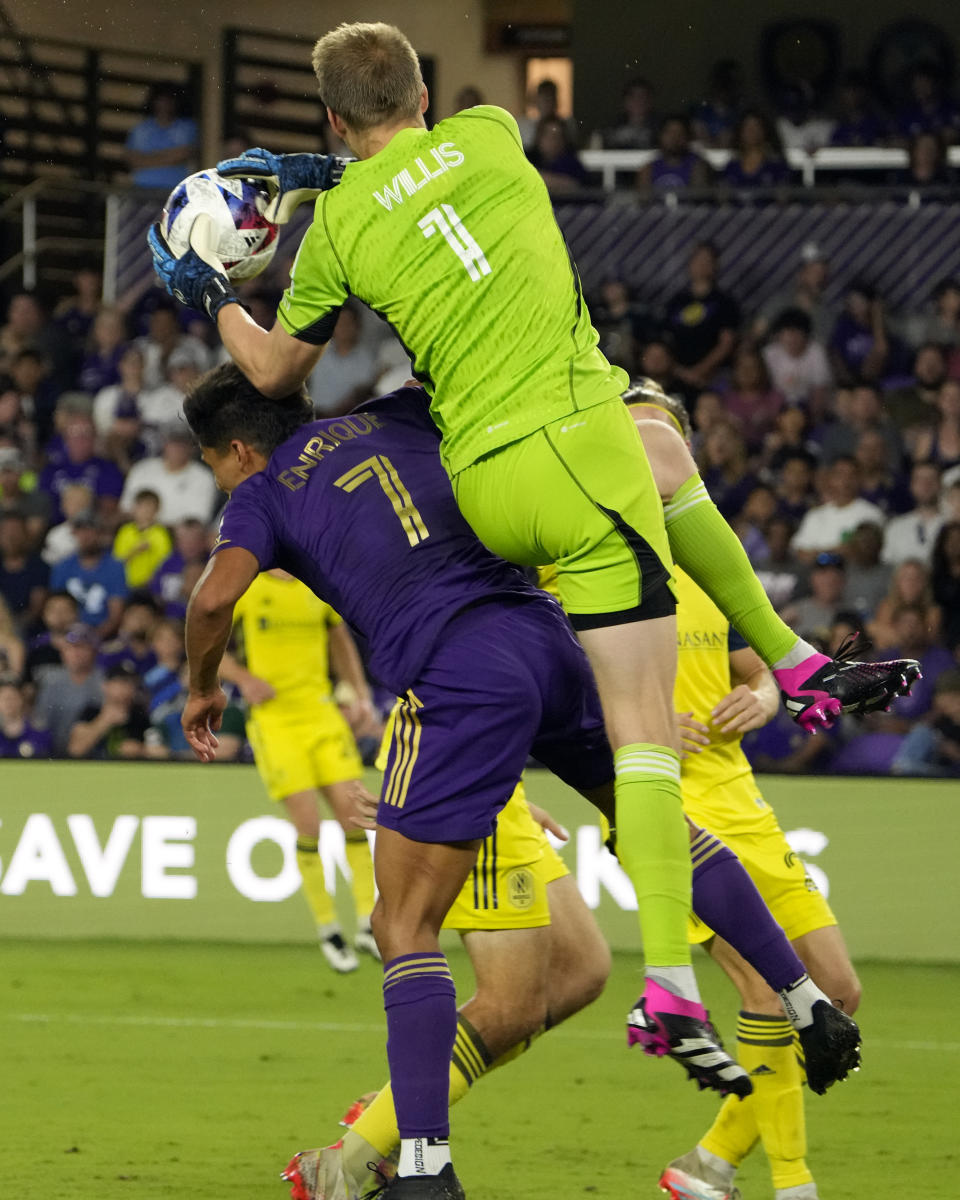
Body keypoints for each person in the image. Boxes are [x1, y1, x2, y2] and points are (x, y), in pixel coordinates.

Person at [149, 25, 906, 1187]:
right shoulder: (481, 177)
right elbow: (429, 251)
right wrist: (331, 170)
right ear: (426, 94)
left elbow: (231, 521)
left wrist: (218, 282)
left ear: (233, 458)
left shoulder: (270, 488)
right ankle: (794, 977)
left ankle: (420, 1169)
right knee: (646, 778)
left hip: (458, 664)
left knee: (418, 940)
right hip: (543, 610)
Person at [632, 394, 861, 1200]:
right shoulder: (591, 559)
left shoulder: (708, 560)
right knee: (769, 990)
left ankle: (710, 1165)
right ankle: (793, 1186)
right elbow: (563, 692)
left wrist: (760, 702)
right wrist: (648, 721)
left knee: (836, 992)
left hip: (743, 799)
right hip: (670, 812)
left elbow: (766, 671)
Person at [219, 569, 380, 973]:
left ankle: (367, 922)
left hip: (322, 714)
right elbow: (206, 642)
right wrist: (244, 678)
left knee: (355, 815)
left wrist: (359, 694)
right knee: (308, 825)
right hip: (275, 721)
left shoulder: (317, 583)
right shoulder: (249, 588)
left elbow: (339, 639)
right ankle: (329, 928)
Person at [662, 242, 740, 400]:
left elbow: (727, 343)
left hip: (713, 377)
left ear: (715, 266)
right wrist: (681, 371)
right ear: (690, 264)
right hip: (678, 376)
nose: (702, 265)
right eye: (698, 260)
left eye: (707, 261)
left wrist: (699, 372)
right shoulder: (676, 302)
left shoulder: (724, 302)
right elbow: (664, 341)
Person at [120, 425, 218, 525]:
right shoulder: (142, 468)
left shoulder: (203, 477)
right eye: (173, 442)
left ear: (192, 448)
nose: (177, 448)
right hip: (139, 530)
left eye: (182, 444)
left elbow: (196, 521)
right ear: (165, 444)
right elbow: (126, 509)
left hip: (177, 536)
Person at [49, 512, 128, 637]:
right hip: (66, 636)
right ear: (74, 534)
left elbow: (115, 616)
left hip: (102, 636)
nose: (85, 537)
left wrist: (91, 640)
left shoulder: (115, 567)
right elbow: (55, 609)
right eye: (81, 531)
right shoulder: (63, 567)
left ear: (100, 533)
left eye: (90, 531)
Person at [33, 623, 103, 756]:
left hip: (96, 756)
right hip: (54, 755)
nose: (75, 653)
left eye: (81, 647)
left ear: (93, 650)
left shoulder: (104, 681)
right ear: (63, 651)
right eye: (70, 648)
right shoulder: (51, 680)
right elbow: (42, 723)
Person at [125, 81, 198, 191]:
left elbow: (185, 153)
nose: (165, 104)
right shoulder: (141, 128)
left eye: (169, 100)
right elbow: (131, 159)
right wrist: (169, 157)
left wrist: (147, 159)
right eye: (161, 100)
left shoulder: (187, 127)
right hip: (142, 190)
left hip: (174, 190)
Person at [112, 489, 173, 588]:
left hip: (151, 586)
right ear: (134, 508)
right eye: (141, 506)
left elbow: (165, 563)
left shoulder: (161, 534)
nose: (145, 511)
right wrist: (135, 551)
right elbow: (117, 562)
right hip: (125, 585)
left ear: (157, 510)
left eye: (149, 507)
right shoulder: (125, 531)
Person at [0, 674, 52, 759]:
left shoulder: (39, 734)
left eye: (12, 697)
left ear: (21, 699)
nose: (8, 703)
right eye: (3, 698)